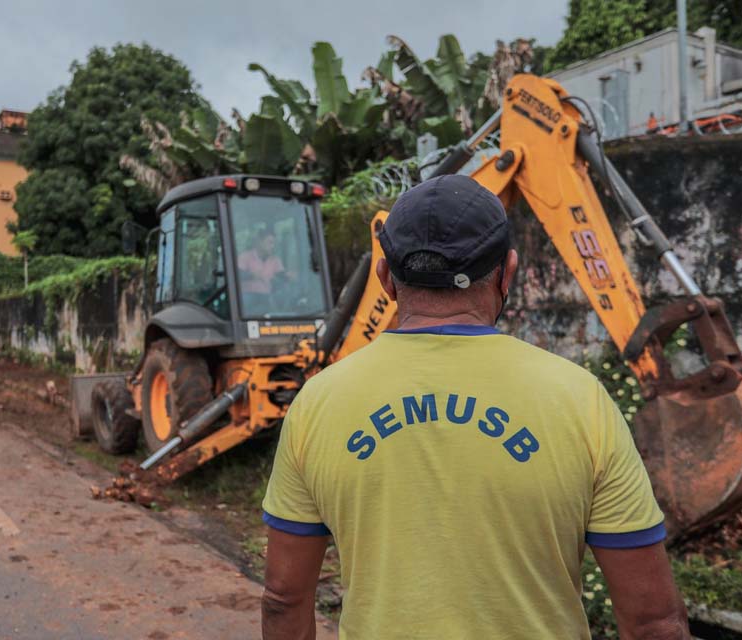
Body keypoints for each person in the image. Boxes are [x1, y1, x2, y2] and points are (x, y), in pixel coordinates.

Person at [261, 175, 689, 640]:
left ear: (384, 278)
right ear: (508, 272)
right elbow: (653, 623)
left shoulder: (316, 403)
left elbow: (284, 599)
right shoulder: (582, 400)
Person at [238, 229, 284, 296]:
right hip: (246, 296)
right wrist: (252, 275)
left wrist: (288, 276)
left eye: (274, 243)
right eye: (270, 242)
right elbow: (237, 275)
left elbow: (281, 276)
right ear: (260, 242)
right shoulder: (245, 257)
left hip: (267, 296)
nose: (272, 246)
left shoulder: (275, 260)